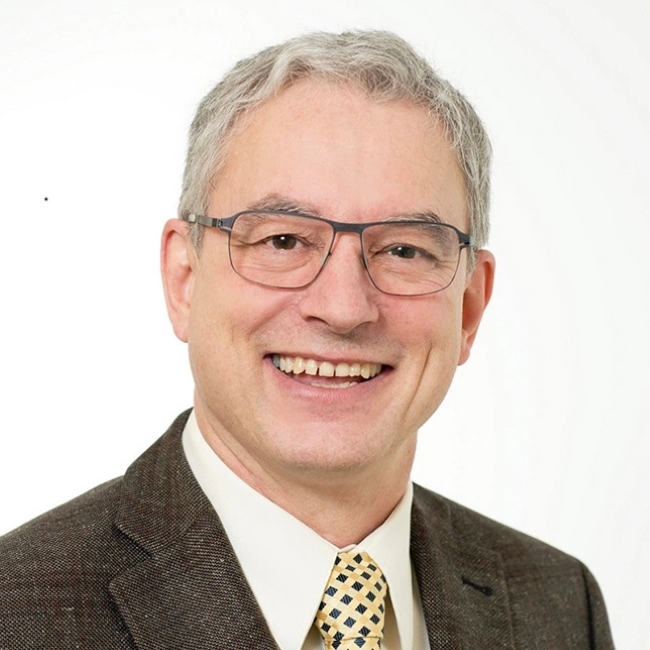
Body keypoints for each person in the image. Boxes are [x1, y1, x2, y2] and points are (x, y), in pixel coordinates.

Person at [0, 30, 614, 649]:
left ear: (469, 309)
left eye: (404, 250)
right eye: (284, 241)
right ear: (184, 279)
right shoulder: (15, 612)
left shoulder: (559, 605)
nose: (343, 308)